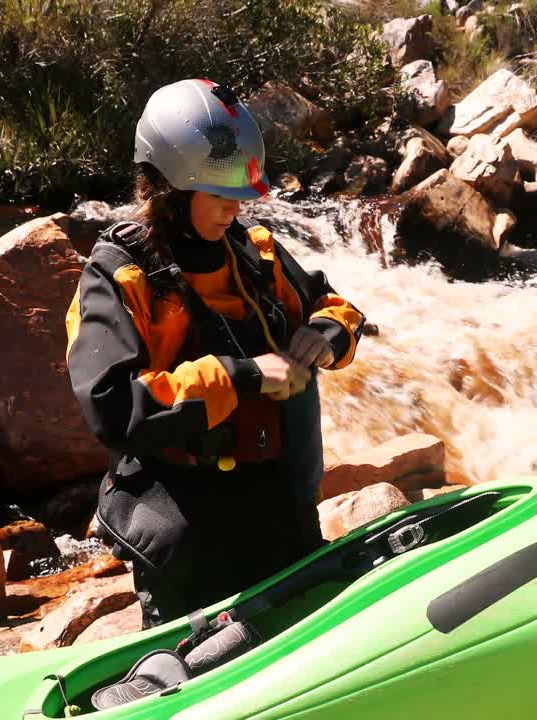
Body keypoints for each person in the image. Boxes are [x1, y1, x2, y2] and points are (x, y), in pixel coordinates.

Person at [65, 78, 365, 629]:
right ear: (171, 189)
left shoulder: (255, 253)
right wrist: (242, 376)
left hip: (270, 497)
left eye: (241, 195)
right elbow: (113, 408)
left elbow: (338, 308)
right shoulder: (116, 276)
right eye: (221, 195)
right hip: (181, 511)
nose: (237, 208)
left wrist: (325, 336)